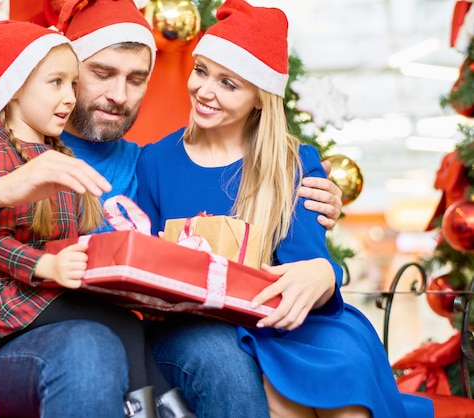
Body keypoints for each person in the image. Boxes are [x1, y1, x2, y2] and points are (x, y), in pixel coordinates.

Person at [0, 0, 342, 416]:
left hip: (135, 338)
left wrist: (311, 211)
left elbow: (230, 220)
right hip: (15, 340)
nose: (119, 95)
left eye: (136, 78)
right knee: (89, 344)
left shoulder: (151, 164)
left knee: (216, 347)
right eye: (101, 74)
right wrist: (1, 190)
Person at [135, 1, 434, 417]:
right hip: (210, 326)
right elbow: (148, 268)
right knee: (281, 399)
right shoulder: (155, 162)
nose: (205, 90)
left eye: (229, 83)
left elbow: (309, 265)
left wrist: (323, 273)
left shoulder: (293, 162)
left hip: (294, 320)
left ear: (260, 98)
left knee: (347, 374)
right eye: (201, 71)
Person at [0, 20, 192, 418]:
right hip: (4, 306)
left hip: (46, 298)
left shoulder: (63, 155)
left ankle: (162, 409)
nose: (69, 97)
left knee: (125, 325)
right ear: (16, 87)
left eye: (72, 84)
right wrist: (50, 265)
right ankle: (163, 411)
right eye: (56, 84)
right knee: (116, 325)